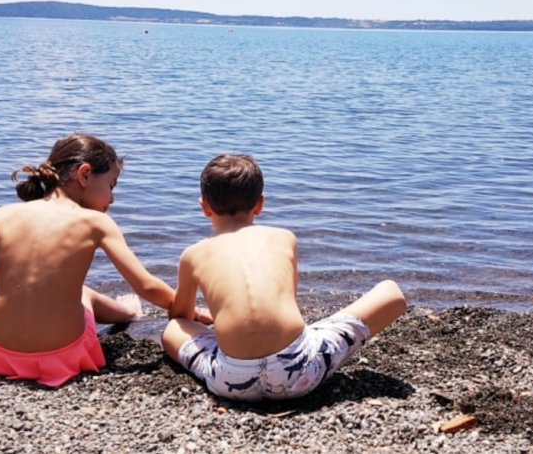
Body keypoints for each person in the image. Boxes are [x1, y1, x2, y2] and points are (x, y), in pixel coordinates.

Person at [0, 133, 193, 388]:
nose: (112, 198)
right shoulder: (97, 222)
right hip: (64, 355)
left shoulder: (4, 215)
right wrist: (190, 309)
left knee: (65, 290)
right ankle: (128, 312)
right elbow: (145, 286)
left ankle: (126, 311)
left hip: (0, 353)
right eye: (111, 186)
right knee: (82, 293)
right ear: (85, 174)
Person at [162, 153, 408, 402]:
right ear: (260, 204)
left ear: (204, 206)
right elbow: (288, 300)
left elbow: (179, 317)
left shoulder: (192, 255)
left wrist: (209, 318)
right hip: (300, 372)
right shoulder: (284, 238)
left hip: (231, 381)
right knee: (391, 292)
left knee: (172, 329)